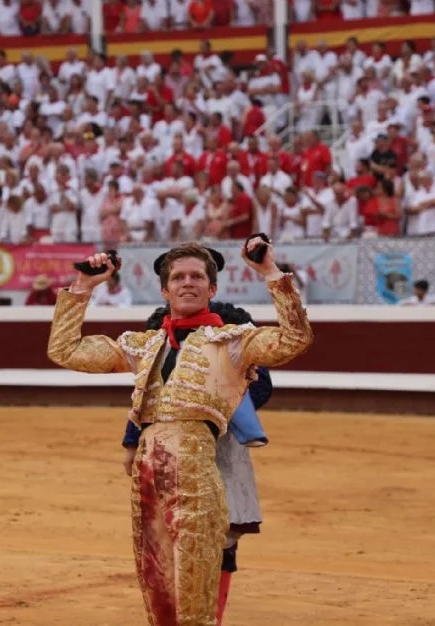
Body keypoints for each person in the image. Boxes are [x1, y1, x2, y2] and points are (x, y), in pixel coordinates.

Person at [47, 239, 313, 625]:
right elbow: (65, 350)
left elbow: (295, 339)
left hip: (197, 482)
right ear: (164, 289)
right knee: (159, 595)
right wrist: (84, 287)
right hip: (147, 484)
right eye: (178, 277)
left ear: (212, 289)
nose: (187, 283)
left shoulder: (231, 343)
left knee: (193, 598)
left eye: (197, 277)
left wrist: (271, 273)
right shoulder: (146, 345)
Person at [121, 300, 273, 625]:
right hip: (169, 450)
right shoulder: (158, 333)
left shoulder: (231, 327)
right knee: (171, 540)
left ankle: (208, 617)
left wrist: (219, 404)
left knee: (222, 538)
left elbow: (261, 386)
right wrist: (133, 441)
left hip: (222, 447)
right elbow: (147, 396)